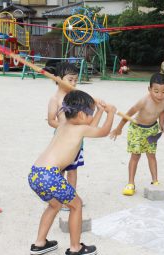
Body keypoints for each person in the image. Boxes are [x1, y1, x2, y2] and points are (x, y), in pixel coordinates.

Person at [28, 90, 116, 255]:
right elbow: (102, 131)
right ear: (82, 114)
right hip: (50, 176)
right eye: (89, 112)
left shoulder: (63, 123)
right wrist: (111, 112)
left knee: (54, 205)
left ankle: (39, 244)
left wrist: (97, 109)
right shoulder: (80, 130)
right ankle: (76, 248)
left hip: (35, 173)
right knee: (76, 205)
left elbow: (89, 125)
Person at [110, 73, 164, 196]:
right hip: (136, 129)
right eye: (156, 91)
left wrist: (162, 124)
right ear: (149, 89)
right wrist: (119, 128)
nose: (160, 95)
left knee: (151, 155)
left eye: (163, 92)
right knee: (135, 156)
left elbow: (163, 111)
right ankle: (131, 183)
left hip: (152, 130)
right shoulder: (143, 101)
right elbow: (128, 114)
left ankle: (155, 181)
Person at [47, 63, 83, 209]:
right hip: (61, 140)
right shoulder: (55, 99)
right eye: (70, 79)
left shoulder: (75, 96)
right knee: (60, 169)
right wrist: (65, 128)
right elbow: (51, 120)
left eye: (75, 80)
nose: (73, 83)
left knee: (73, 169)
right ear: (58, 79)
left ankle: (71, 197)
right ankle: (60, 197)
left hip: (76, 140)